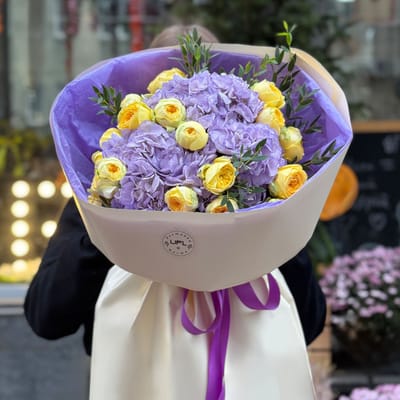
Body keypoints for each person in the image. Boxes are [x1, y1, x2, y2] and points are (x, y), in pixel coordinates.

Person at [23, 24, 326, 356]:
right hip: (132, 376)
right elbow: (46, 317)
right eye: (172, 91)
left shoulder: (260, 193)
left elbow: (309, 321)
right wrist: (107, 229)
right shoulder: (108, 190)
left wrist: (272, 220)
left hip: (239, 373)